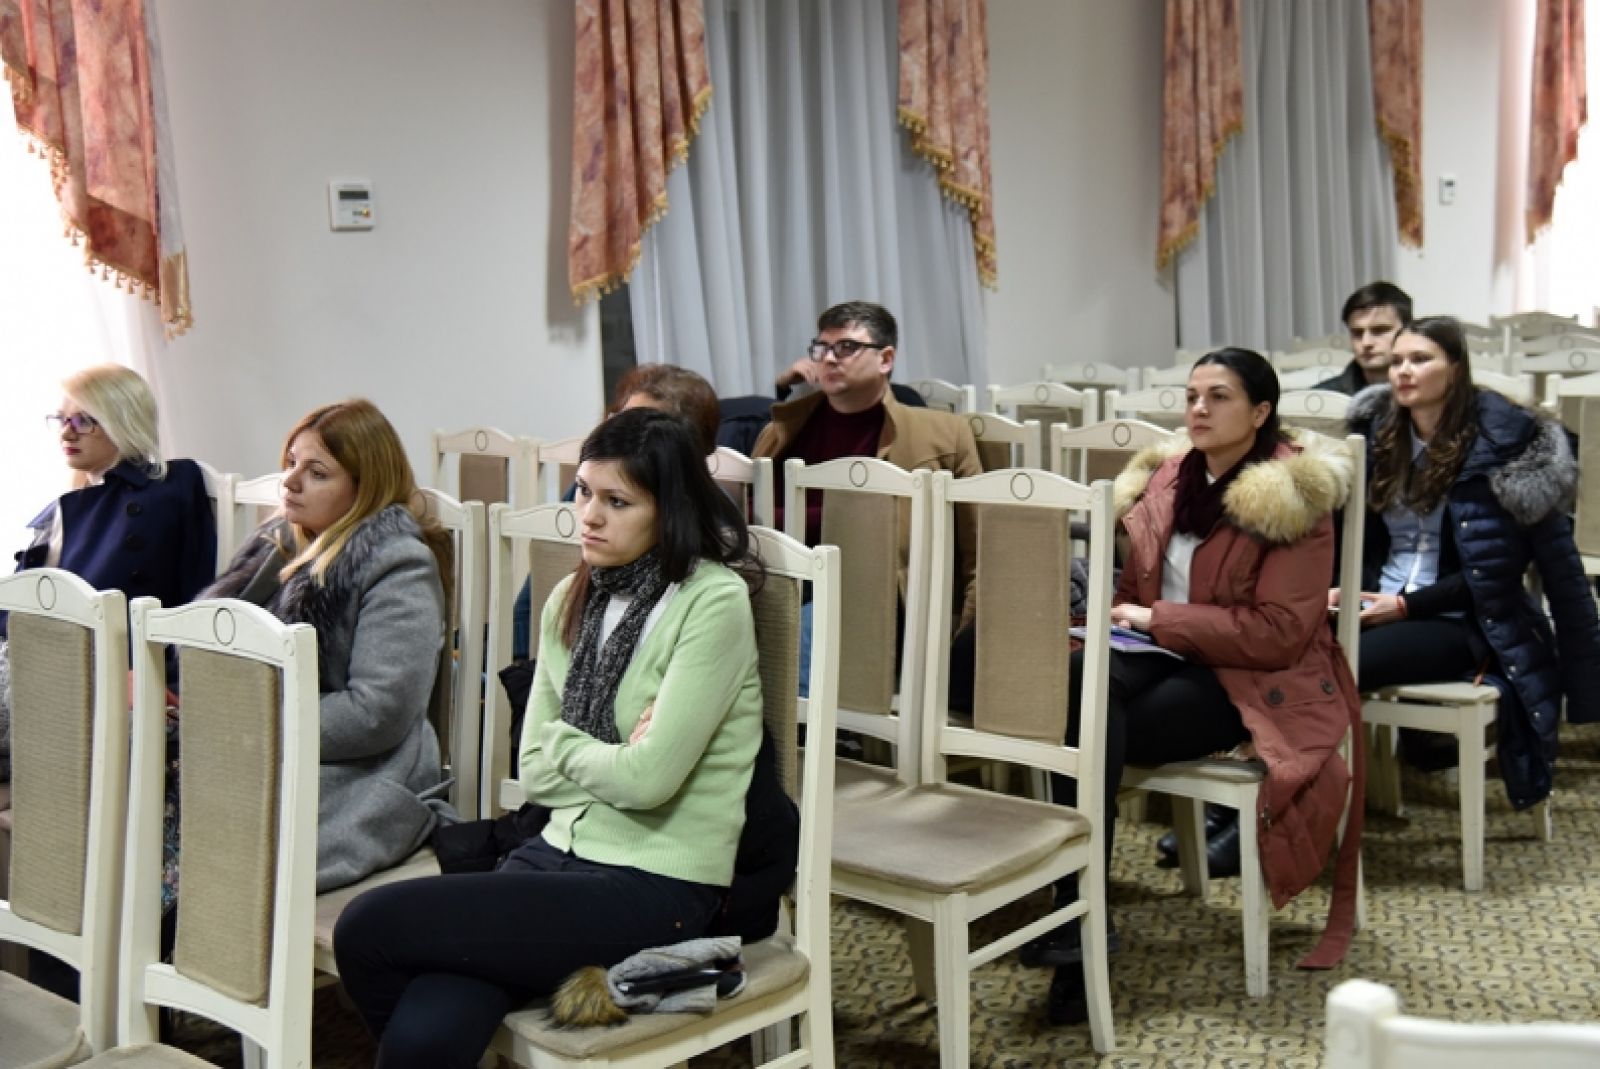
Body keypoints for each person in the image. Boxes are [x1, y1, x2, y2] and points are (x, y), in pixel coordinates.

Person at [333, 408, 765, 1068]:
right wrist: (608, 754)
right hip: (550, 854)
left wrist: (569, 742)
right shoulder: (571, 593)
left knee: (368, 924)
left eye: (617, 501)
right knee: (425, 1037)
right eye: (583, 491)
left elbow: (649, 781)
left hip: (653, 884)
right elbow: (534, 770)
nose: (588, 515)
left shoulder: (712, 599)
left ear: (669, 509)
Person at [1040, 349, 1362, 1026]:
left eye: (1219, 396)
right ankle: (1079, 914)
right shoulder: (1169, 478)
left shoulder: (1292, 494)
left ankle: (1076, 915)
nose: (1198, 409)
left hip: (1251, 684)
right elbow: (1134, 590)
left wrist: (1157, 618)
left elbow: (1279, 633)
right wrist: (1129, 617)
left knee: (1083, 714)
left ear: (1261, 411)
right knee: (1070, 685)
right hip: (1165, 654)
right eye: (1191, 395)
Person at [198, 399, 454, 892]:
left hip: (358, 767)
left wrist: (248, 724)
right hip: (265, 739)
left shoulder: (399, 564)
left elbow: (376, 712)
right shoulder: (280, 540)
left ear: (365, 486)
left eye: (317, 473)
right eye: (291, 462)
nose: (291, 481)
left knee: (203, 831)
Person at [1344, 316, 1600, 804]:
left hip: (1467, 619)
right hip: (1379, 602)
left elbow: (1510, 575)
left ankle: (1295, 806)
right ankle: (1277, 798)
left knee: (1336, 664)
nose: (1403, 371)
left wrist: (1406, 606)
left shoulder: (1509, 444)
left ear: (1456, 369)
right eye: (1397, 361)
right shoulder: (1377, 439)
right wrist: (1345, 589)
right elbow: (1354, 543)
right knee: (1280, 649)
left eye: (1420, 359)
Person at [756, 301, 981, 703]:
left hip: (883, 598)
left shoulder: (942, 435)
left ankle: (800, 738)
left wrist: (962, 636)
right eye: (822, 348)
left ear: (886, 359)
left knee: (809, 626)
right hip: (784, 581)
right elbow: (751, 517)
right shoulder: (782, 429)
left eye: (846, 347)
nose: (829, 358)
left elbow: (978, 545)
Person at [2, 364, 216, 778]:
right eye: (62, 420)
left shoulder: (170, 486)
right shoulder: (65, 504)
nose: (67, 434)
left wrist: (167, 679)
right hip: (37, 659)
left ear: (123, 419)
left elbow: (195, 593)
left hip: (103, 672)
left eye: (84, 420)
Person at [511, 364, 721, 660]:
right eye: (621, 420)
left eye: (643, 427)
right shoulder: (566, 592)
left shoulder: (707, 595)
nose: (589, 516)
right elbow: (530, 600)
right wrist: (518, 656)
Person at [1315, 281, 1413, 394]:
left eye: (1379, 330)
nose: (1366, 342)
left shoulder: (1428, 393)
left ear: (1407, 331)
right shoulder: (1325, 397)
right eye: (1357, 333)